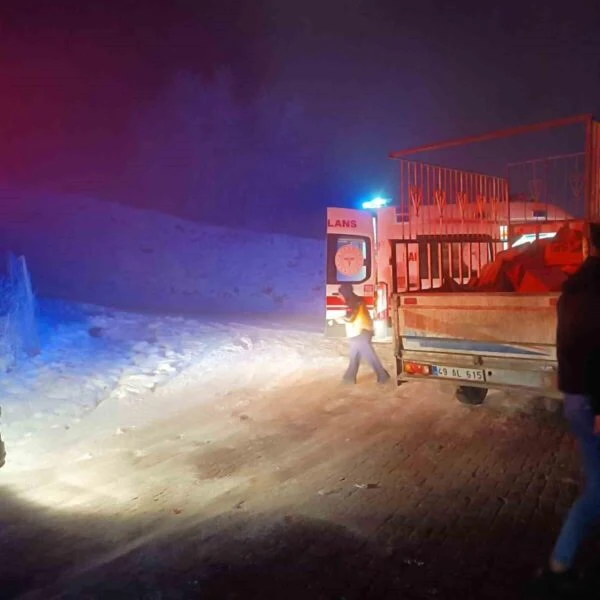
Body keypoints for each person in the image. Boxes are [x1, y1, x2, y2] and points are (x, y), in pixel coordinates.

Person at [533, 222, 600, 596]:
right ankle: (559, 564)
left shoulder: (574, 287)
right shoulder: (595, 289)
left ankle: (561, 562)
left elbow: (571, 346)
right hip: (593, 400)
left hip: (578, 397)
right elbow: (595, 351)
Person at [337, 283, 390, 384]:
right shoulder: (356, 300)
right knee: (354, 356)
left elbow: (350, 317)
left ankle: (383, 376)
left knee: (369, 356)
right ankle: (349, 378)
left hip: (360, 332)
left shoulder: (352, 301)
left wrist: (339, 319)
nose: (339, 296)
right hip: (361, 331)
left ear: (345, 293)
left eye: (340, 294)